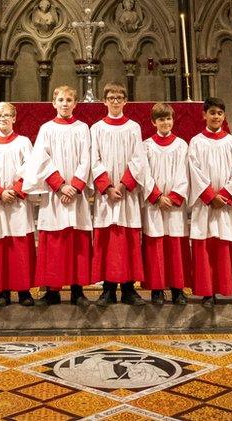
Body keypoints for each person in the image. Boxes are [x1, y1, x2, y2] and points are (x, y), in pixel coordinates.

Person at [23, 85, 93, 307]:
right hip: (56, 195)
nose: (65, 103)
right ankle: (52, 290)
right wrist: (60, 185)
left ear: (75, 104)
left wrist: (76, 185)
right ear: (54, 103)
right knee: (54, 242)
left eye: (69, 100)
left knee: (77, 241)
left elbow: (86, 158)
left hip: (76, 193)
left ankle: (77, 289)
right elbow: (40, 159)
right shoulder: (46, 129)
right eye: (61, 100)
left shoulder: (83, 128)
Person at [187, 97, 232, 308]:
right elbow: (194, 171)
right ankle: (208, 292)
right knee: (207, 246)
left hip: (228, 205)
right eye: (212, 113)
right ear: (204, 115)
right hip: (206, 204)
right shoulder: (196, 141)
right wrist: (209, 196)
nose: (216, 117)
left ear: (224, 116)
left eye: (219, 113)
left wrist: (224, 195)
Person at [90, 83, 146, 307]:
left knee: (128, 239)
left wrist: (123, 185)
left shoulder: (134, 127)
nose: (115, 101)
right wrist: (107, 186)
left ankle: (129, 288)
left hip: (126, 194)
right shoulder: (96, 129)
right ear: (104, 101)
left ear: (125, 101)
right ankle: (108, 289)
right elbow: (94, 159)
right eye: (111, 97)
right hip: (106, 195)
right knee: (106, 240)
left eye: (119, 97)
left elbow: (138, 159)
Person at [0, 102, 35, 306]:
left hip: (18, 203)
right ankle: (2, 291)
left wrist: (16, 189)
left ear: (14, 118)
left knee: (19, 246)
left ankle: (24, 290)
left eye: (7, 115)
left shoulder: (23, 143)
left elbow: (30, 168)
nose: (3, 119)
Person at [137, 103, 191, 305]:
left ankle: (178, 288)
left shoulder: (182, 145)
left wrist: (175, 196)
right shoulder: (146, 146)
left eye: (168, 118)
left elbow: (184, 173)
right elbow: (145, 174)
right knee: (156, 244)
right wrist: (157, 197)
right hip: (155, 204)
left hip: (175, 205)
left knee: (175, 245)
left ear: (173, 120)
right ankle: (157, 289)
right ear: (153, 122)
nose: (165, 123)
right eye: (161, 119)